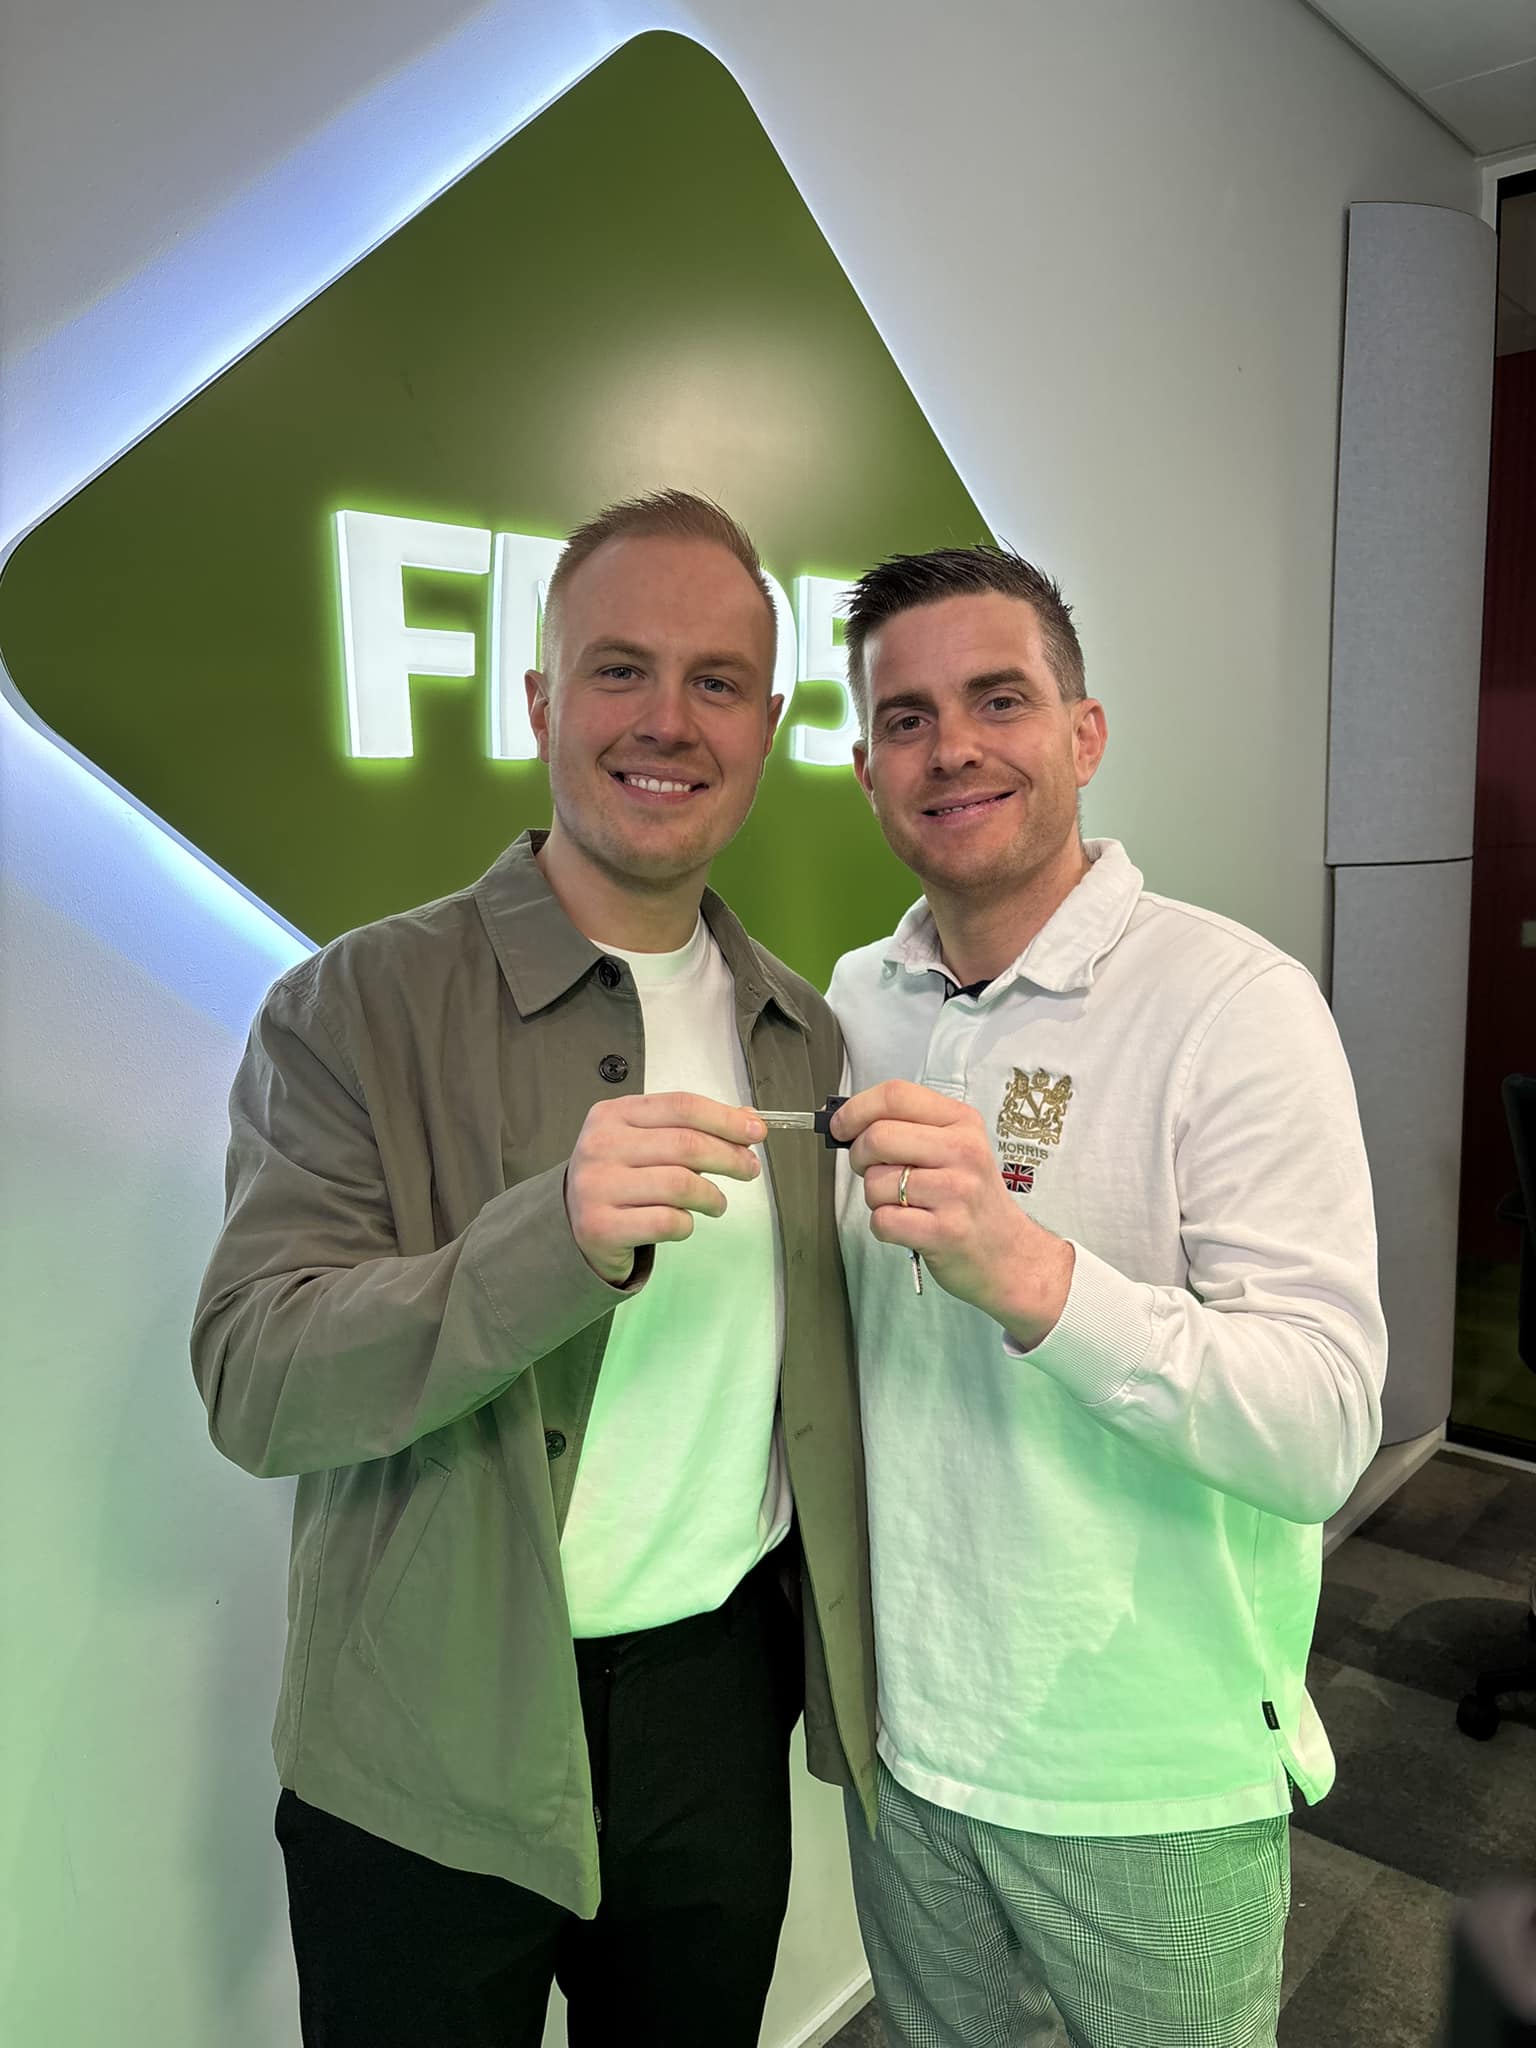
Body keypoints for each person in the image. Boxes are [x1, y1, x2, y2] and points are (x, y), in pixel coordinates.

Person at [191, 490, 877, 2048]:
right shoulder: (352, 1007)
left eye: (716, 682)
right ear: (540, 701)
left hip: (714, 1714)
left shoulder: (803, 1033)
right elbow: (254, 1380)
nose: (668, 720)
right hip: (421, 1738)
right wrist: (545, 1242)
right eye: (619, 669)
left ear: (767, 728)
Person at [825, 544, 1387, 2048]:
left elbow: (1325, 1427)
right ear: (868, 770)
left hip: (1152, 1780)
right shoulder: (854, 1002)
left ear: (1084, 734)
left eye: (998, 699)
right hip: (909, 1747)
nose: (952, 747)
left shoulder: (1235, 1005)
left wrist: (1031, 1275)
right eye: (905, 718)